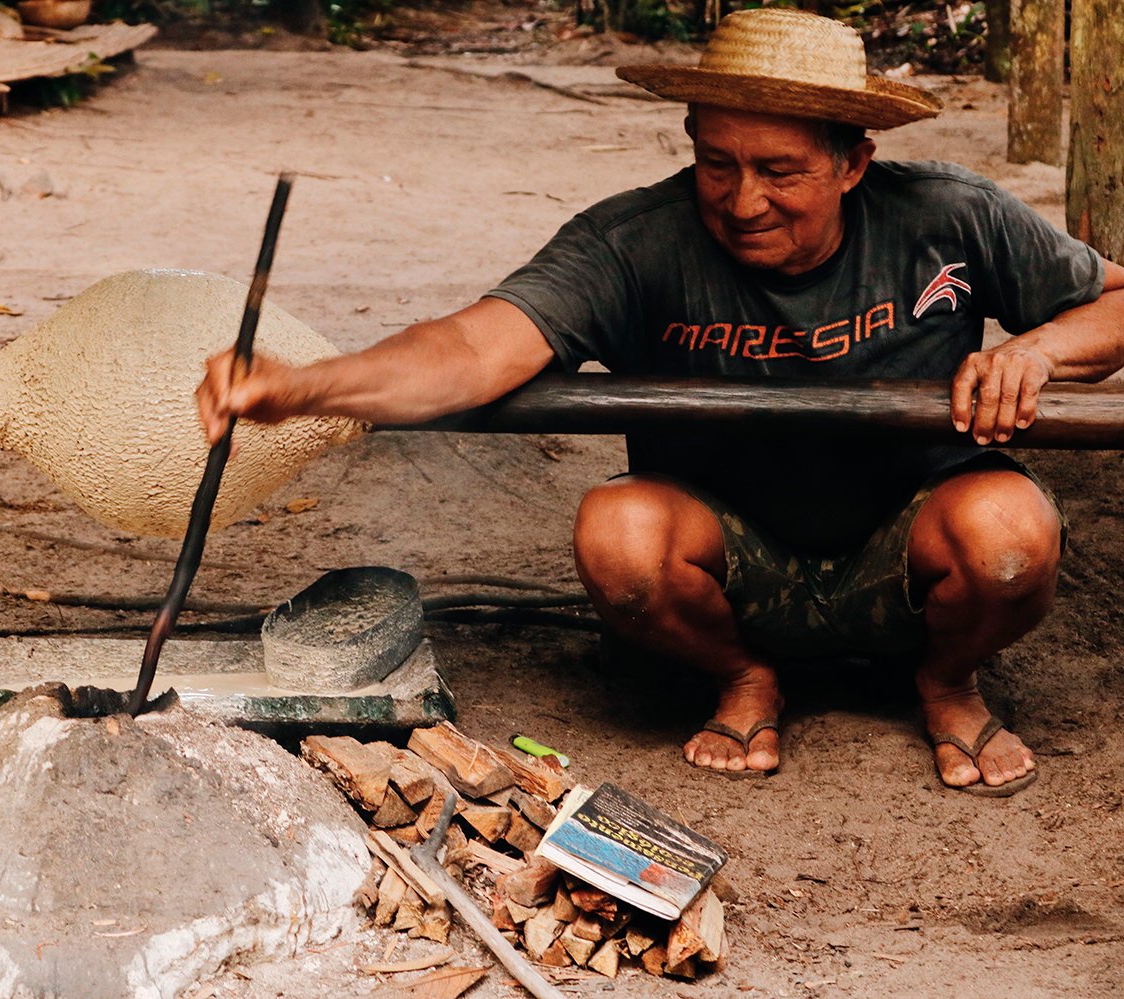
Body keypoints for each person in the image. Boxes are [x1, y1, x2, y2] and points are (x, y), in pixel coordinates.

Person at [198, 8, 1124, 795]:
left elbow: (1117, 303)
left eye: (779, 170)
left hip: (914, 546)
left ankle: (948, 679)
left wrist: (1039, 351)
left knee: (1013, 533)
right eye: (717, 161)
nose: (743, 199)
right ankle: (744, 674)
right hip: (727, 558)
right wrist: (304, 384)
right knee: (619, 535)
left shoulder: (950, 216)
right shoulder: (633, 240)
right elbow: (475, 346)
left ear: (854, 162)